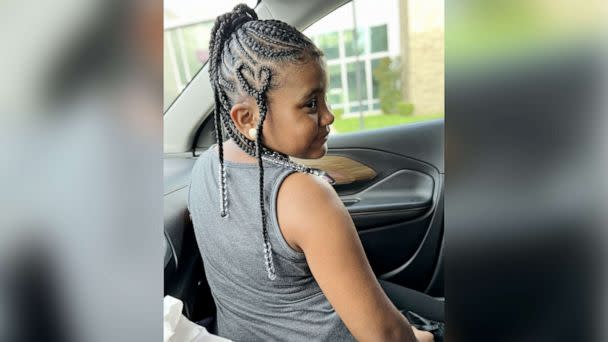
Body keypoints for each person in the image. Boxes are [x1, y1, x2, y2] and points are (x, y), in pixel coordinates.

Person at [188, 4, 436, 341]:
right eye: (311, 104)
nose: (329, 115)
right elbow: (385, 336)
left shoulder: (205, 168)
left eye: (325, 99)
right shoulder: (306, 194)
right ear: (246, 118)